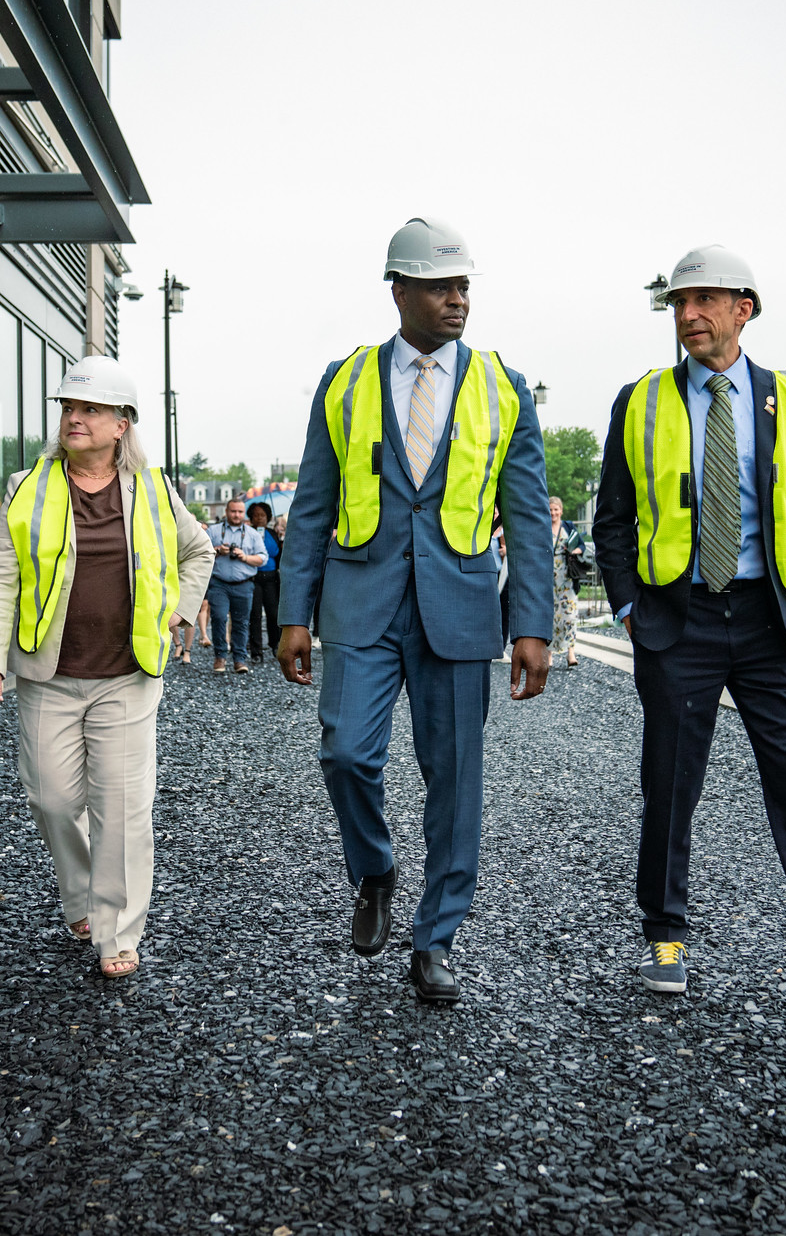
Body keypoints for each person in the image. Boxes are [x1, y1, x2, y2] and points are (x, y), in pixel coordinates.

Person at [592, 244, 786, 1014]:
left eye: (705, 301)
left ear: (745, 308)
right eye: (678, 303)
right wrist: (630, 607)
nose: (689, 315)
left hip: (774, 622)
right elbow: (612, 518)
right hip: (680, 621)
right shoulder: (640, 401)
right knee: (671, 786)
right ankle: (665, 934)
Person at [278, 216, 552, 1005]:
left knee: (454, 782)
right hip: (360, 604)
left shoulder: (503, 387)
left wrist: (531, 625)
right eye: (439, 286)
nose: (456, 300)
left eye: (464, 286)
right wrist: (295, 611)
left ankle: (436, 939)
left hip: (461, 611)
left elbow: (528, 518)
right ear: (398, 290)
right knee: (346, 756)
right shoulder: (345, 380)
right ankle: (375, 872)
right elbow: (311, 506)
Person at [0, 357, 214, 981]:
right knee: (51, 798)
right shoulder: (26, 487)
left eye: (90, 410)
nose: (74, 419)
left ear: (122, 424)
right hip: (48, 676)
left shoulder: (153, 491)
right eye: (68, 409)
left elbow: (197, 550)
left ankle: (117, 930)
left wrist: (177, 616)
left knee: (123, 808)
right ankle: (79, 896)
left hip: (128, 677)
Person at [204, 498, 266, 673]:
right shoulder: (213, 531)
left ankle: (239, 659)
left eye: (240, 512)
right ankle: (220, 657)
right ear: (226, 511)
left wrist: (244, 556)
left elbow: (263, 558)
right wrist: (216, 550)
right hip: (219, 584)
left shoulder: (252, 534)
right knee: (219, 618)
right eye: (233, 511)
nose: (236, 515)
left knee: (241, 623)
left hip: (244, 585)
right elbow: (200, 553)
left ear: (243, 513)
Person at [550, 496, 586, 669]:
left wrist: (573, 551)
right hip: (549, 578)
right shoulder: (543, 527)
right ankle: (549, 654)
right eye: (550, 510)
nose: (553, 513)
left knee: (570, 615)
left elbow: (581, 545)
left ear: (561, 510)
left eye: (556, 509)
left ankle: (570, 652)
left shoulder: (568, 526)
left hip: (567, 576)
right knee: (550, 615)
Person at [246, 501, 282, 664]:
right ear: (251, 518)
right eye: (256, 515)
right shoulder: (247, 533)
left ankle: (275, 644)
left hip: (271, 578)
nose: (259, 518)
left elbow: (277, 553)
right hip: (254, 577)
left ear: (268, 517)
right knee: (255, 614)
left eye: (263, 515)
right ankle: (256, 650)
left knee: (273, 613)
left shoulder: (273, 533)